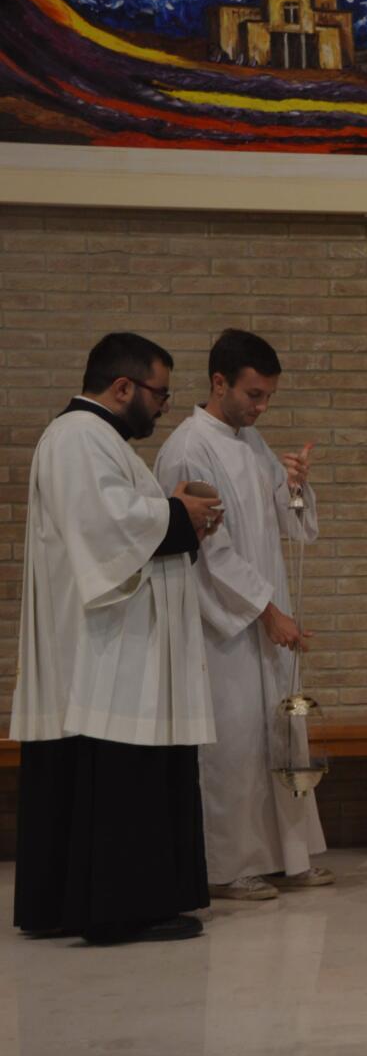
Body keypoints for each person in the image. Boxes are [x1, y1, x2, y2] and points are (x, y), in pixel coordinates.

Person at [11, 333, 225, 944]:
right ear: (123, 386)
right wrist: (180, 514)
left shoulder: (94, 439)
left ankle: (69, 903)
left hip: (110, 640)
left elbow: (119, 517)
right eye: (160, 393)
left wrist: (173, 511)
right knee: (120, 773)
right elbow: (107, 527)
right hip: (110, 647)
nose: (163, 406)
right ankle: (120, 909)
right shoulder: (80, 436)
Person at [155, 329, 328, 902]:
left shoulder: (250, 440)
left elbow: (286, 522)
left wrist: (295, 487)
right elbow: (208, 547)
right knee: (232, 746)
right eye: (254, 395)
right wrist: (266, 610)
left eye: (269, 397)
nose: (262, 408)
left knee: (276, 735)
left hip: (262, 608)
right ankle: (227, 869)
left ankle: (288, 857)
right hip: (223, 628)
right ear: (219, 382)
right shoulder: (188, 448)